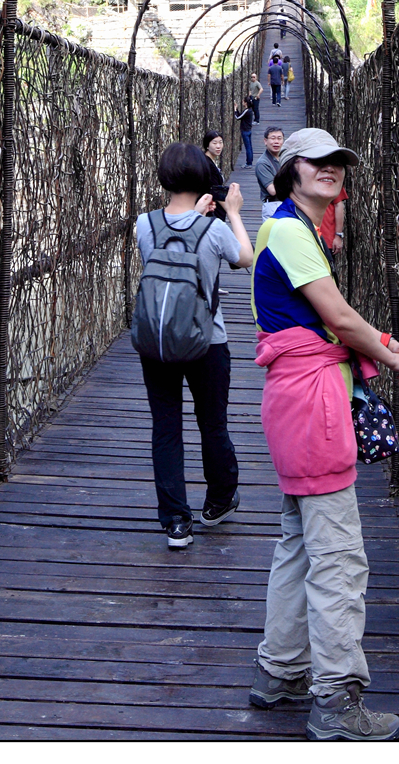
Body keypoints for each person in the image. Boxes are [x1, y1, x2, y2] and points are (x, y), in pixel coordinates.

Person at [247, 127, 399, 740]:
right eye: (316, 161)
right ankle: (336, 702)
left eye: (338, 163)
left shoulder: (287, 228)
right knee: (340, 559)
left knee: (298, 541)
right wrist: (397, 358)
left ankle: (281, 670)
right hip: (313, 403)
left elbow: (338, 318)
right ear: (291, 169)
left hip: (294, 399)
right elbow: (340, 318)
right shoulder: (295, 232)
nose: (330, 169)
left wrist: (384, 344)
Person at [136, 142, 253, 548]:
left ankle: (175, 523)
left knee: (165, 428)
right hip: (208, 339)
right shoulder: (215, 228)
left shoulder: (143, 225)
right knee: (212, 422)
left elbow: (166, 252)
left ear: (163, 176)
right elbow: (245, 258)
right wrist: (233, 213)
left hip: (158, 339)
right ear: (204, 178)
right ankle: (218, 501)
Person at [253, 127, 285, 205]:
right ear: (265, 141)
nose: (276, 142)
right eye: (273, 138)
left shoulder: (286, 157)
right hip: (274, 205)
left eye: (279, 138)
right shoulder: (262, 163)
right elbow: (273, 190)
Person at [201, 130, 228, 213]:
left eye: (220, 142)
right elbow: (215, 190)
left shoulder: (208, 160)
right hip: (212, 209)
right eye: (214, 143)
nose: (218, 146)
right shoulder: (208, 165)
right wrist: (231, 211)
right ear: (207, 145)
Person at [235, 97, 255, 166]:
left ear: (246, 103)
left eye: (243, 101)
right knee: (249, 147)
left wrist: (235, 110)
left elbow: (238, 117)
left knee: (248, 147)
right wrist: (237, 109)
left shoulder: (247, 111)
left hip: (245, 131)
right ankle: (250, 161)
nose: (242, 103)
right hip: (248, 130)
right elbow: (241, 115)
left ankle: (248, 163)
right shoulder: (249, 110)